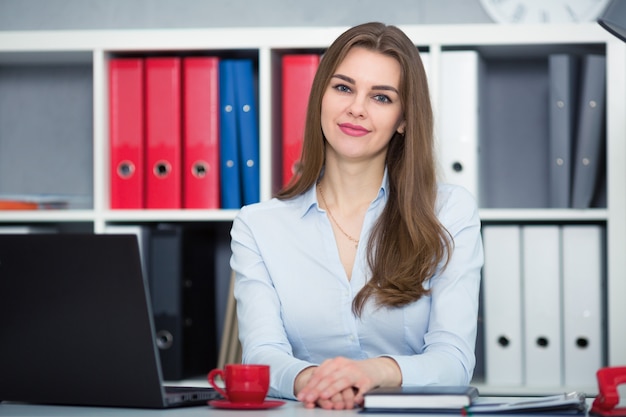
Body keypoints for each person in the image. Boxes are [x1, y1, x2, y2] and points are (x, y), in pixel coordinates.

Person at [230, 21, 483, 410]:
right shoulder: (258, 226)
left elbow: (454, 360)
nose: (356, 109)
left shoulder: (449, 212)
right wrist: (315, 380)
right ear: (321, 97)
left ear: (403, 119)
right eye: (343, 88)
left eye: (381, 97)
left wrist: (370, 373)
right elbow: (262, 354)